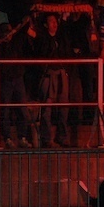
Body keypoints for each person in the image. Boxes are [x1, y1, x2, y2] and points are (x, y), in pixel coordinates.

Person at [32, 13, 72, 147]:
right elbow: (41, 53)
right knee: (47, 108)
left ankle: (62, 136)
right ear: (45, 24)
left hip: (61, 73)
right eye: (51, 21)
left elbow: (67, 52)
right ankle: (46, 138)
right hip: (48, 74)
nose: (54, 24)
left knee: (64, 107)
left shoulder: (62, 37)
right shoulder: (42, 38)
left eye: (55, 21)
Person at [0, 21, 33, 148]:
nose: (8, 35)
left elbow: (24, 30)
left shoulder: (17, 41)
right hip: (5, 80)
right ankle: (7, 138)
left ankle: (22, 137)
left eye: (9, 32)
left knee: (22, 109)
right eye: (6, 33)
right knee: (5, 111)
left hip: (18, 77)